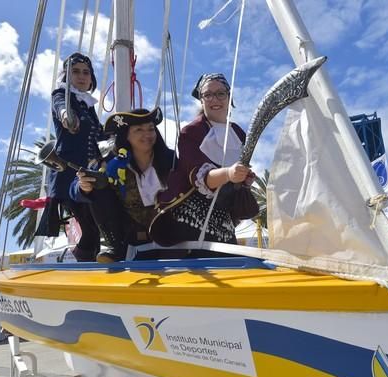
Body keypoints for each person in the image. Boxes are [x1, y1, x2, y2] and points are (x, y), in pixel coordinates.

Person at [150, 73, 258, 246]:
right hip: (191, 221)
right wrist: (229, 173)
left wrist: (243, 178)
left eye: (220, 93)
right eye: (208, 95)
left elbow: (234, 177)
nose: (215, 99)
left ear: (229, 96)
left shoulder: (238, 133)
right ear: (201, 100)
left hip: (224, 221)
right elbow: (199, 177)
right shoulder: (191, 132)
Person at [71, 108, 174, 262]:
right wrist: (83, 187)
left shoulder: (171, 160)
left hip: (170, 234)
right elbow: (73, 189)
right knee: (98, 182)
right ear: (126, 135)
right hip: (129, 239)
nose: (147, 134)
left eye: (151, 129)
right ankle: (113, 246)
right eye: (139, 130)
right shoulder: (108, 163)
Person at [36, 52, 102, 262]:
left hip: (89, 175)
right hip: (69, 177)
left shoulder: (88, 105)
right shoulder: (62, 95)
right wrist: (66, 116)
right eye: (76, 72)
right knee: (92, 229)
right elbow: (60, 108)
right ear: (67, 75)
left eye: (86, 72)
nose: (82, 76)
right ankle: (84, 271)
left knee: (98, 227)